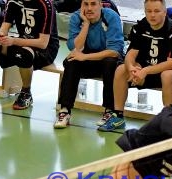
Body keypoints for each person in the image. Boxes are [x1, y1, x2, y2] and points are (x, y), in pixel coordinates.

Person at [98, 0, 172, 131]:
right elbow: (131, 54)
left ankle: (170, 121)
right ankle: (118, 116)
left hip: (164, 72)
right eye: (149, 11)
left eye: (157, 11)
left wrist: (146, 70)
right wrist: (131, 68)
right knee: (121, 70)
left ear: (165, 12)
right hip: (142, 72)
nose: (152, 15)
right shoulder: (140, 27)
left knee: (168, 75)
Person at [0, 0, 59, 111]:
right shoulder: (13, 1)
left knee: (23, 55)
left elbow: (43, 43)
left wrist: (14, 41)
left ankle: (26, 93)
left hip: (46, 49)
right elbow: (4, 27)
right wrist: (0, 36)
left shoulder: (45, 4)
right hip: (22, 41)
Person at [54, 0, 125, 129]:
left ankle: (109, 111)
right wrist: (86, 24)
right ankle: (64, 111)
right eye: (85, 4)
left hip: (106, 59)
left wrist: (85, 56)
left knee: (111, 63)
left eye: (93, 4)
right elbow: (75, 48)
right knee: (71, 61)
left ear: (100, 5)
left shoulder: (111, 17)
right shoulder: (76, 17)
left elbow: (115, 51)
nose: (89, 8)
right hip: (87, 60)